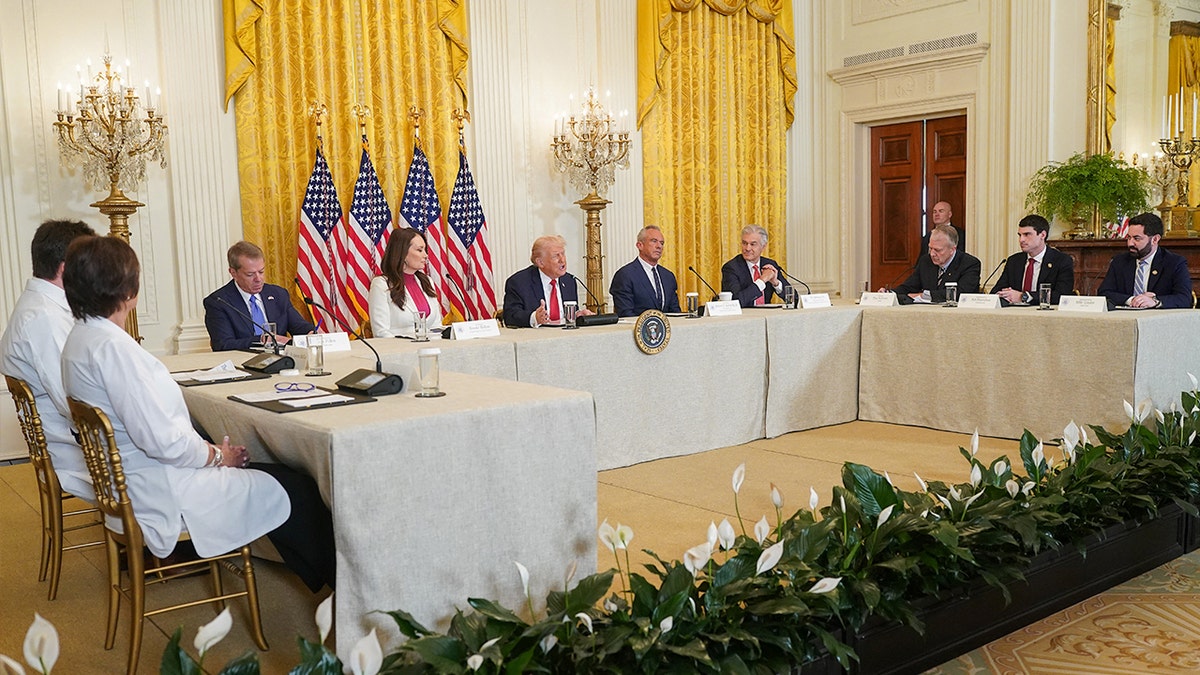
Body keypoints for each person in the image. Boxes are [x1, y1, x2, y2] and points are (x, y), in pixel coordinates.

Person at [62, 236, 335, 590]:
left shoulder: (79, 339)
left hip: (129, 482)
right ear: (129, 290)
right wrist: (219, 456)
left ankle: (318, 579)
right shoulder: (116, 351)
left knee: (282, 478)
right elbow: (165, 443)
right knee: (299, 488)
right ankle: (337, 588)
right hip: (161, 487)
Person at [0, 219, 96, 500]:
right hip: (77, 455)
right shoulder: (44, 318)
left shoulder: (41, 307)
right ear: (66, 269)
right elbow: (74, 403)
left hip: (71, 442)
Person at [203, 241, 316, 351]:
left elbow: (298, 326)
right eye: (250, 274)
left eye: (261, 272)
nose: (258, 279)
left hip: (281, 359)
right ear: (233, 273)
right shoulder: (218, 302)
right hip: (243, 361)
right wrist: (262, 340)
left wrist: (311, 333)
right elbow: (222, 344)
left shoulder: (278, 294)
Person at [1097, 212, 1193, 309]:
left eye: (1137, 238)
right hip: (1125, 316)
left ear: (1155, 239)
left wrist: (1155, 301)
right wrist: (1132, 300)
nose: (1130, 243)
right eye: (1129, 237)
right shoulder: (1119, 261)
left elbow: (1184, 299)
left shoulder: (1174, 263)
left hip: (1158, 317)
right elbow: (1104, 293)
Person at [502, 235, 595, 327]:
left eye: (563, 254)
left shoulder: (569, 281)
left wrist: (577, 315)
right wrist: (534, 318)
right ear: (540, 262)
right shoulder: (519, 282)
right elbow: (510, 316)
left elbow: (567, 317)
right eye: (556, 256)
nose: (562, 260)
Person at [369, 229, 443, 338]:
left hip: (432, 346)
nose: (426, 255)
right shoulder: (381, 284)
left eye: (425, 250)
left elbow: (437, 326)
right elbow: (381, 332)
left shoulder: (427, 281)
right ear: (402, 252)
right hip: (398, 347)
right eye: (419, 250)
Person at [991, 214, 1075, 306]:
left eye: (1027, 234)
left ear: (1042, 235)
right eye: (1020, 235)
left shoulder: (1061, 261)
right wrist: (1004, 294)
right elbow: (996, 291)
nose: (1021, 240)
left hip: (1045, 312)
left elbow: (1062, 295)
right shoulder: (1014, 261)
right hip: (1014, 311)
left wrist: (1024, 296)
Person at [889, 223, 981, 303]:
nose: (932, 254)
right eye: (930, 248)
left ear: (952, 250)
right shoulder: (926, 261)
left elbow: (961, 294)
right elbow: (909, 286)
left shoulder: (970, 264)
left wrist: (924, 296)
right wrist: (889, 294)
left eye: (937, 250)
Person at [609, 225, 682, 316]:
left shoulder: (668, 276)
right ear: (640, 245)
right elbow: (625, 314)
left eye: (662, 243)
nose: (659, 246)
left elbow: (675, 312)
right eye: (654, 241)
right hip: (636, 325)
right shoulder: (625, 275)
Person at [720, 225, 791, 307]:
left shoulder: (770, 265)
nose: (747, 248)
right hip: (744, 315)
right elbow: (735, 303)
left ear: (763, 246)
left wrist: (776, 283)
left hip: (766, 314)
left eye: (753, 244)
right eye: (744, 243)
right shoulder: (731, 268)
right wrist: (762, 280)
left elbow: (794, 299)